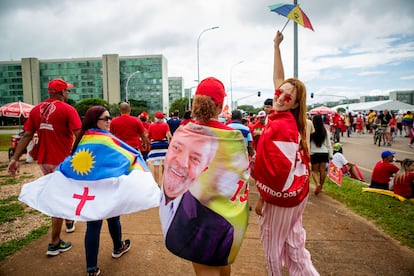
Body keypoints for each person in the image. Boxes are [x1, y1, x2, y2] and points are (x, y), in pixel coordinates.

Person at [159, 77, 250, 276]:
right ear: (220, 107)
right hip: (223, 214)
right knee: (221, 261)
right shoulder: (231, 136)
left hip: (196, 215)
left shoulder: (183, 131)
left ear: (195, 103)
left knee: (203, 267)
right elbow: (242, 172)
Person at [253, 30, 319, 276]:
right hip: (297, 195)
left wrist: (262, 198)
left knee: (271, 244)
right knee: (294, 244)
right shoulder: (288, 117)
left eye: (286, 97)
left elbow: (277, 172)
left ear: (295, 104)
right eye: (279, 93)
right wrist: (276, 47)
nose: (279, 97)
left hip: (283, 196)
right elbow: (278, 79)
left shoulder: (282, 126)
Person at [8, 78, 81, 256]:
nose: (68, 94)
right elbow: (79, 134)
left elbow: (26, 135)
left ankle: (69, 220)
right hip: (62, 160)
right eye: (67, 91)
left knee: (65, 192)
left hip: (44, 161)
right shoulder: (68, 109)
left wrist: (15, 158)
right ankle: (55, 243)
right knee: (59, 198)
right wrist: (76, 155)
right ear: (62, 92)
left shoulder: (35, 110)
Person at [75, 106, 131, 276]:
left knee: (93, 225)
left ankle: (92, 268)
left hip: (90, 189)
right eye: (105, 118)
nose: (109, 121)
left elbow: (75, 164)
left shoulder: (83, 138)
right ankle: (118, 247)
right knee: (113, 218)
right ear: (95, 120)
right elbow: (123, 159)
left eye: (109, 117)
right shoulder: (105, 139)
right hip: (106, 187)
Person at [147, 111, 172, 185]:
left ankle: (156, 183)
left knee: (156, 166)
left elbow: (147, 136)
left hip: (154, 146)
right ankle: (164, 183)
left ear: (155, 118)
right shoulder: (165, 125)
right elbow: (169, 135)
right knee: (164, 165)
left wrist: (150, 143)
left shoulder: (151, 126)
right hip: (164, 146)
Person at [310, 114, 333, 195]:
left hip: (314, 153)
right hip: (324, 153)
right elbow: (329, 144)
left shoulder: (311, 130)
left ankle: (317, 184)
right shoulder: (325, 131)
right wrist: (331, 155)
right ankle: (321, 187)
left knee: (314, 171)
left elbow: (308, 143)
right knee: (322, 171)